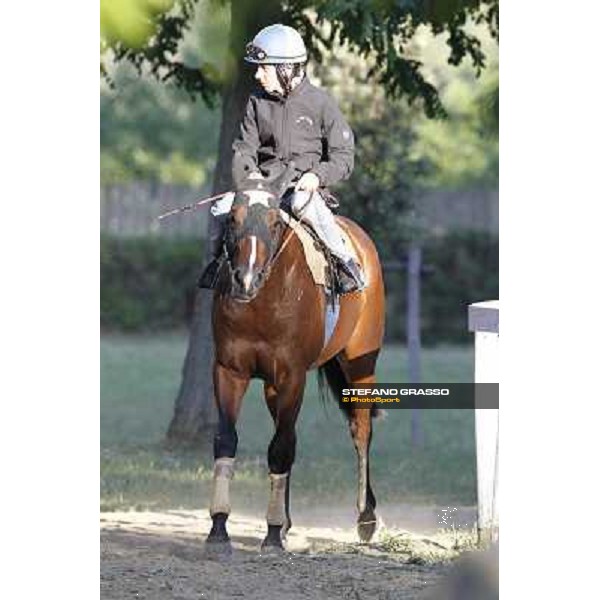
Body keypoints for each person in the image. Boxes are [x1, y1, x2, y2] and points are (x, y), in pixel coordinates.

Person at [199, 23, 365, 293]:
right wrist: (249, 174)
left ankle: (344, 263)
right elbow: (244, 149)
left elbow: (343, 157)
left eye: (264, 68)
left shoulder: (321, 103)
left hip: (302, 189)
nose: (257, 75)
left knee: (303, 205)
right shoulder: (256, 101)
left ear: (286, 70)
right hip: (264, 190)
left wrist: (316, 176)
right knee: (221, 209)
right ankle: (218, 266)